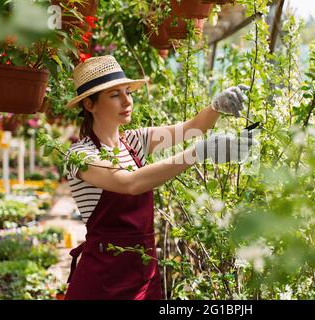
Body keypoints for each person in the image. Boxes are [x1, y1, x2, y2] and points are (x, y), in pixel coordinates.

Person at [64, 55, 255, 300]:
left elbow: (193, 128)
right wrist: (199, 152)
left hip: (143, 271)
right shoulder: (80, 155)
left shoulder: (135, 141)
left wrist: (216, 107)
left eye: (128, 93)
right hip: (102, 278)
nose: (126, 101)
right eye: (114, 95)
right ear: (90, 105)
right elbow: (130, 183)